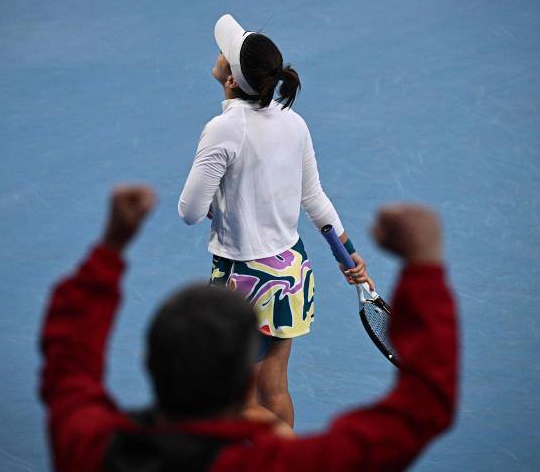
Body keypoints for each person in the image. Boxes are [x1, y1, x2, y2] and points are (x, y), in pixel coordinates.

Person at [40, 184, 458, 471]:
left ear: (151, 364)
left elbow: (67, 364)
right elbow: (423, 409)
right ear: (243, 382)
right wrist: (424, 266)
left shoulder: (90, 447)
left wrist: (111, 246)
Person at [178, 14, 376, 427]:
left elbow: (189, 212)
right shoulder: (294, 122)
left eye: (223, 54)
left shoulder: (222, 130)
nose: (218, 54)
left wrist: (222, 200)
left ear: (231, 80)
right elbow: (314, 199)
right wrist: (348, 256)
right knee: (275, 390)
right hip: (291, 271)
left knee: (238, 399)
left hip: (242, 280)